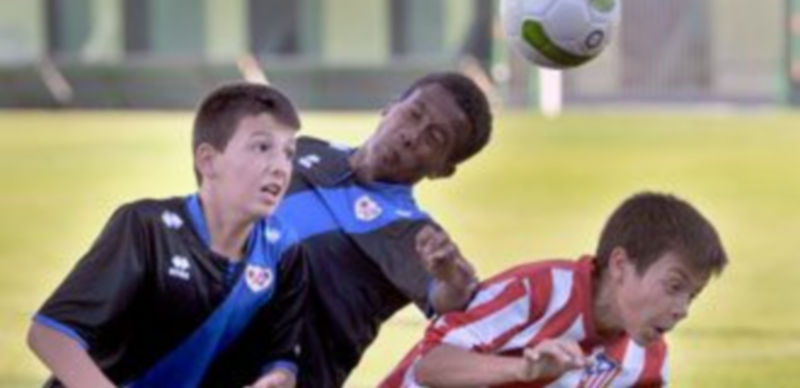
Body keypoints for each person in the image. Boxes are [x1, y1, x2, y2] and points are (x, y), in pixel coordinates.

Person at [27, 82, 308, 388]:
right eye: (262, 147)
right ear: (208, 161)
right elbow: (49, 335)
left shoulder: (283, 249)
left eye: (289, 153)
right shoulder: (146, 228)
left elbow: (282, 360)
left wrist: (275, 380)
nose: (281, 166)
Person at [273, 71, 493, 387]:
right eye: (413, 114)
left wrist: (451, 278)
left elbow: (450, 298)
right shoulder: (306, 151)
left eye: (434, 138)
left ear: (442, 170)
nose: (411, 136)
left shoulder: (411, 232)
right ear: (390, 108)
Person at [380, 191, 728, 387]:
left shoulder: (648, 363)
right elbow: (431, 366)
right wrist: (523, 371)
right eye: (674, 286)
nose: (682, 308)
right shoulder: (537, 290)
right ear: (620, 265)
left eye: (691, 295)